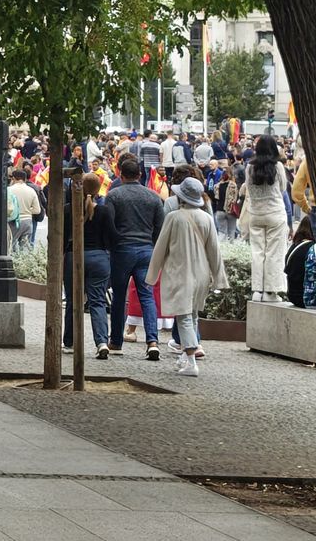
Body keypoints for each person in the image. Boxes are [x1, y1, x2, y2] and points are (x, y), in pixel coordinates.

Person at [150, 176, 222, 376]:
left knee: (183, 316)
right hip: (201, 274)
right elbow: (214, 250)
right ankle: (185, 355)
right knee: (193, 314)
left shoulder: (174, 217)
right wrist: (218, 277)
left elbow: (160, 248)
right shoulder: (207, 218)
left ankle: (191, 360)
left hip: (180, 271)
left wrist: (152, 274)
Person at [104, 154, 166, 359]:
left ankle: (115, 341)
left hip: (122, 250)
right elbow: (160, 227)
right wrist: (152, 244)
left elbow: (109, 224)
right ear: (140, 175)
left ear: (121, 175)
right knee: (146, 295)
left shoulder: (113, 195)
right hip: (146, 249)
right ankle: (152, 341)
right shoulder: (153, 197)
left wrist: (113, 244)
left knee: (119, 296)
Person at [63, 171, 115, 361]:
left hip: (73, 256)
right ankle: (101, 341)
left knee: (72, 300)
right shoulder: (104, 211)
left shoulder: (68, 210)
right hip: (99, 258)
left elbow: (60, 239)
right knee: (98, 301)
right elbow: (112, 237)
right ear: (98, 189)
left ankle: (69, 341)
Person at [241, 135, 291, 299]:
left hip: (255, 214)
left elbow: (248, 186)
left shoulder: (250, 167)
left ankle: (257, 290)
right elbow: (283, 188)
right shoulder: (278, 166)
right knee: (274, 253)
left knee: (257, 252)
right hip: (275, 213)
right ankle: (271, 291)